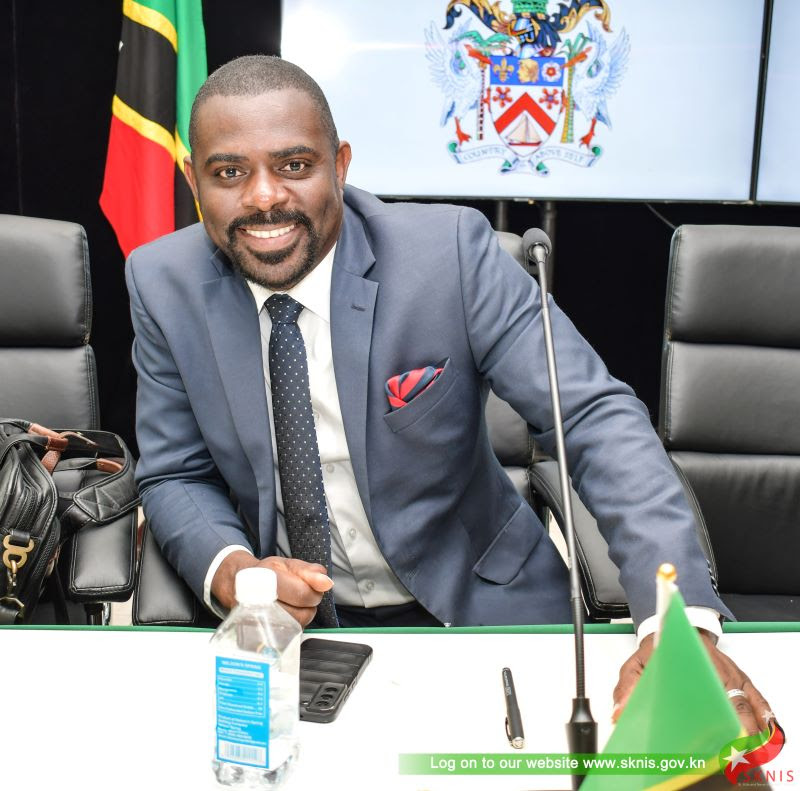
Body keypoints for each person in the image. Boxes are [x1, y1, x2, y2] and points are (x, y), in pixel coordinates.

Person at [126, 55, 772, 731]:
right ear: (193, 179)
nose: (264, 197)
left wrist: (677, 623)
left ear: (340, 166)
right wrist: (234, 571)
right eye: (229, 173)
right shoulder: (162, 282)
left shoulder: (450, 254)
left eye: (294, 165)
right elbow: (176, 472)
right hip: (297, 638)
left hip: (485, 612)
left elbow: (591, 417)